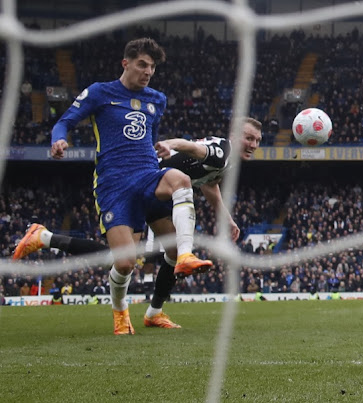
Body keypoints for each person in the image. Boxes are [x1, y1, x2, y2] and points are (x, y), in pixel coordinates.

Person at [14, 118, 263, 328]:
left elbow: (210, 183)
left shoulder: (226, 161)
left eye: (257, 141)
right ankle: (44, 237)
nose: (253, 144)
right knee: (122, 259)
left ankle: (154, 313)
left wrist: (227, 219)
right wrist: (169, 143)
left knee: (173, 252)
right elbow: (190, 146)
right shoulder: (223, 150)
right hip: (141, 186)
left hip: (159, 192)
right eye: (249, 138)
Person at [46, 38, 212, 335]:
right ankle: (120, 313)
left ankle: (178, 269)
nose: (148, 71)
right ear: (126, 63)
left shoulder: (156, 99)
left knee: (181, 183)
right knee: (124, 263)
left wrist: (159, 149)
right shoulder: (100, 92)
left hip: (148, 174)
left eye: (152, 67)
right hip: (115, 185)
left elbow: (147, 135)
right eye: (142, 65)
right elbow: (65, 122)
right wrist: (59, 140)